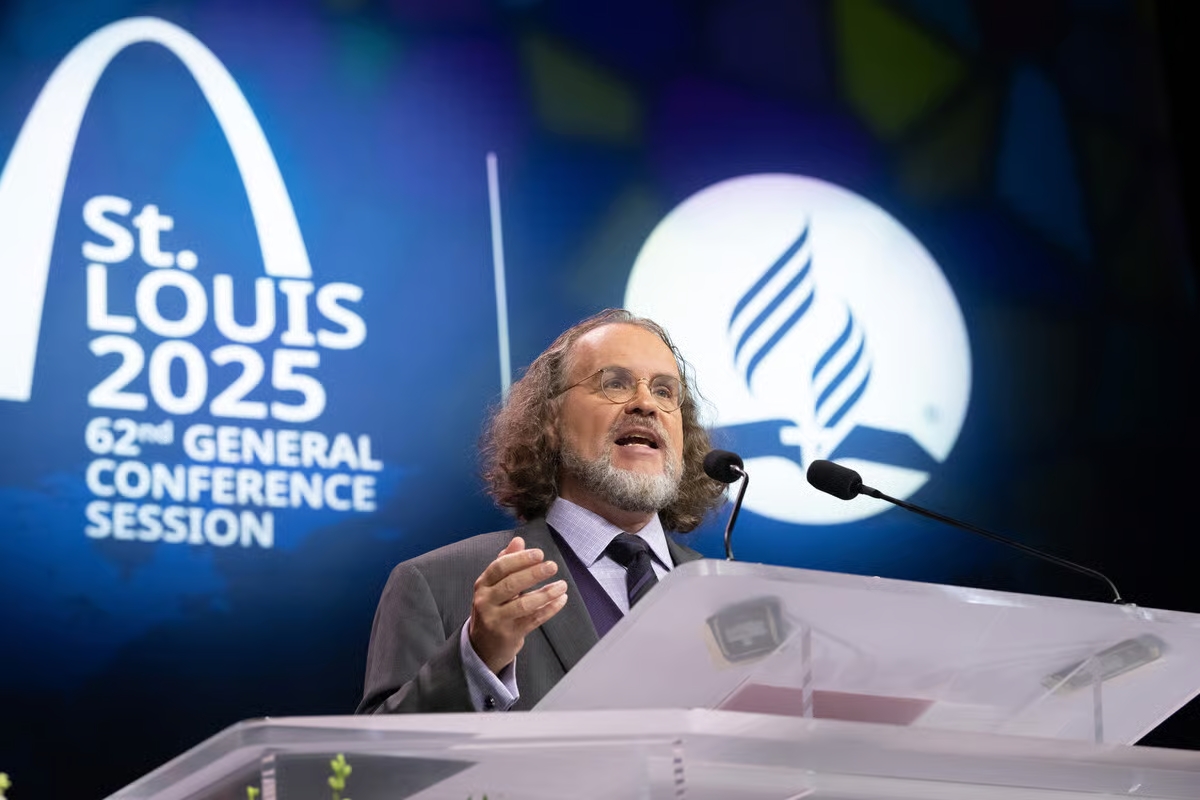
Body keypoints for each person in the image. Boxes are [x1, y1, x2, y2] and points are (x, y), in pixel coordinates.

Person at [356, 308, 725, 714]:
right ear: (551, 420)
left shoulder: (725, 595)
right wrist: (476, 660)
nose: (645, 404)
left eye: (664, 391)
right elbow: (385, 750)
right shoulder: (436, 583)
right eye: (615, 383)